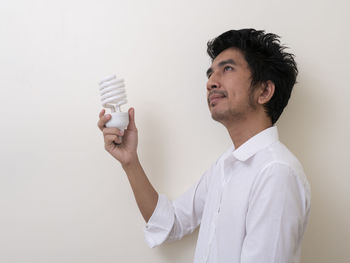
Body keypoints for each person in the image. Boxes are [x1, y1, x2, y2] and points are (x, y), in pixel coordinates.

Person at [97, 28, 311, 263]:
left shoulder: (276, 172)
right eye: (210, 73)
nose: (210, 82)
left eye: (227, 68)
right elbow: (171, 224)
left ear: (264, 91)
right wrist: (130, 161)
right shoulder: (225, 165)